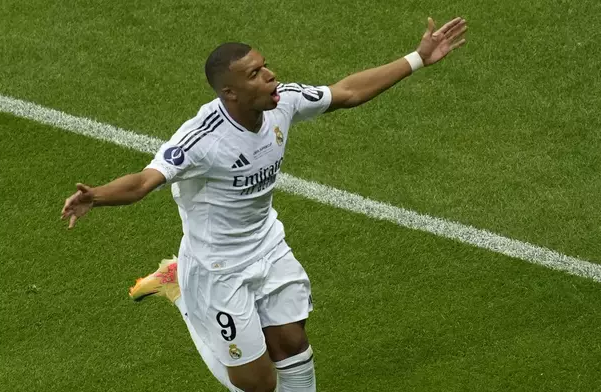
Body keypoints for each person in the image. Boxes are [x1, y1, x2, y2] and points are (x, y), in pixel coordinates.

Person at [61, 16, 467, 392]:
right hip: (218, 268)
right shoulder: (203, 139)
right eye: (255, 73)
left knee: (292, 341)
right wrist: (96, 195)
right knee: (259, 385)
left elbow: (347, 92)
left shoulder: (284, 102)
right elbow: (143, 182)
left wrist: (418, 58)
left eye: (265, 65)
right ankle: (178, 288)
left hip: (267, 247)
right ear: (230, 91)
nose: (271, 76)